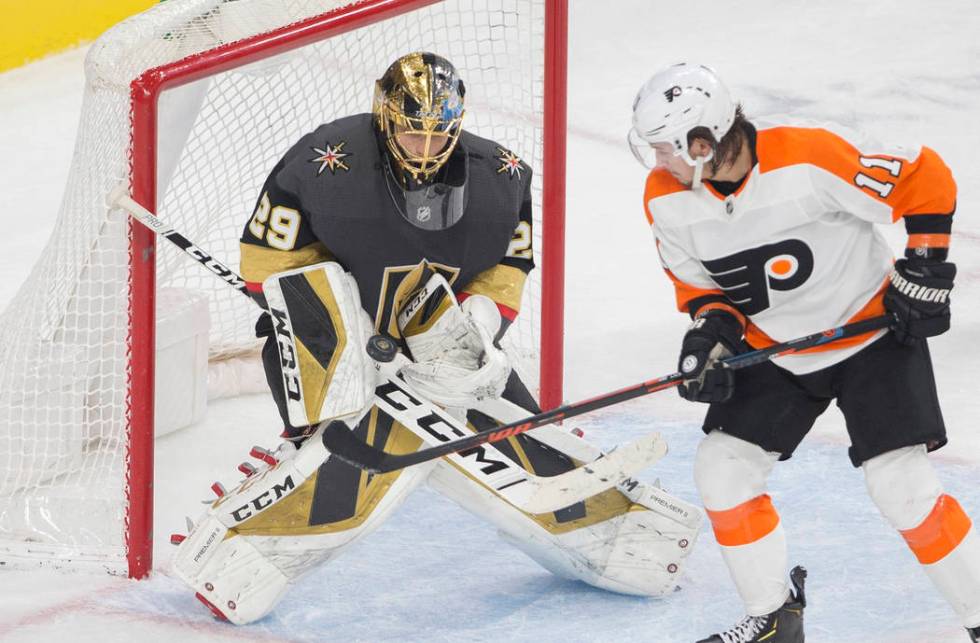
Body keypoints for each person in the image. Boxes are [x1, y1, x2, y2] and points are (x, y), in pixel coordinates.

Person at [169, 52, 701, 625]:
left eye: (436, 134)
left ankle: (625, 538)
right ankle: (278, 493)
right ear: (384, 115)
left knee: (494, 413)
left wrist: (477, 327)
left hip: (440, 345)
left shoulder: (502, 175)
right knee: (335, 435)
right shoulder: (323, 161)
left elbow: (507, 269)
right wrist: (346, 331)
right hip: (336, 344)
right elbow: (267, 262)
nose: (423, 147)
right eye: (410, 132)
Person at [629, 62, 980, 642]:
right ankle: (774, 619)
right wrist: (709, 336)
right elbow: (702, 289)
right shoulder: (666, 198)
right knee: (722, 469)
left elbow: (925, 175)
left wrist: (926, 265)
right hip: (778, 353)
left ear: (704, 141)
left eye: (666, 148)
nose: (658, 162)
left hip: (870, 336)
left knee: (902, 487)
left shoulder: (808, 156)